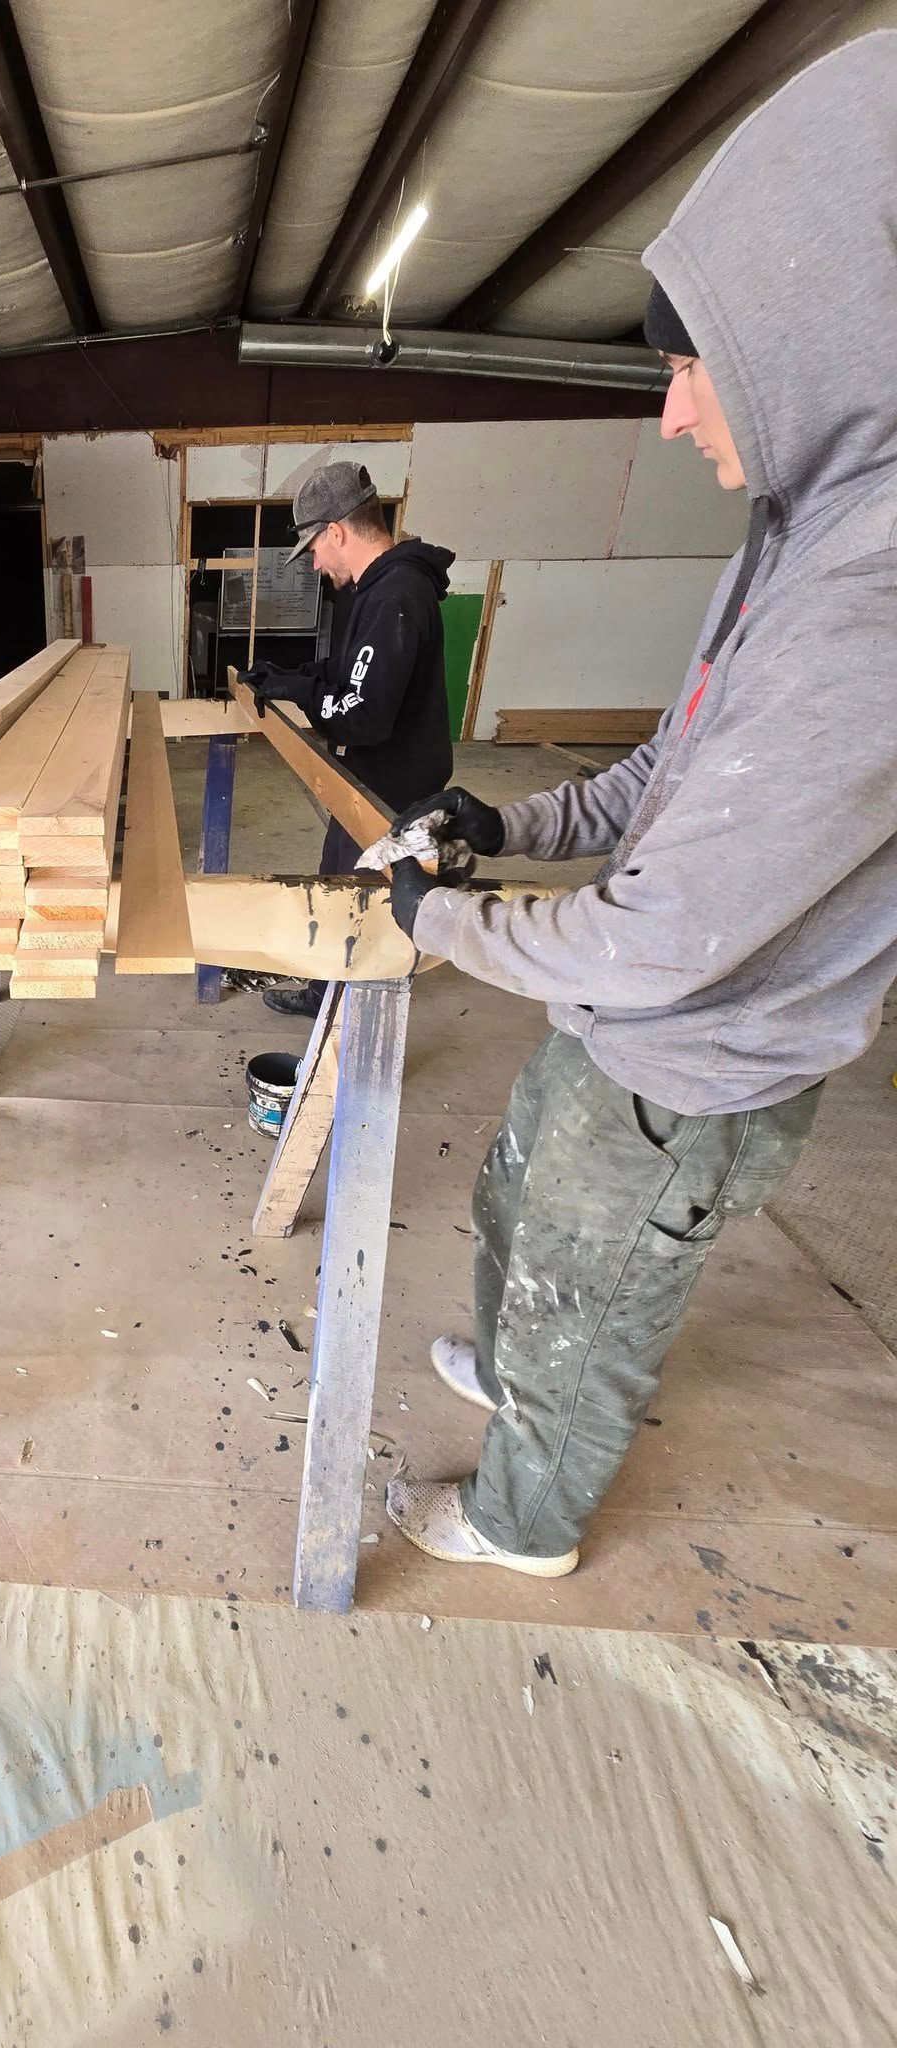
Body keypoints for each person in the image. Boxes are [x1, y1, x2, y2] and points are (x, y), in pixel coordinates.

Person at [376, 31, 897, 1580]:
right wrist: (504, 829)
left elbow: (664, 938)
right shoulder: (809, 523)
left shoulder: (875, 592)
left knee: (594, 1293)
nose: (672, 416)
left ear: (821, 332)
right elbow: (676, 767)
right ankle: (514, 1367)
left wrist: (446, 922)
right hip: (625, 1021)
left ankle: (525, 1517)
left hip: (696, 1056)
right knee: (518, 1200)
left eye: (689, 365)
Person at [240, 461, 454, 1018]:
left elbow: (363, 716)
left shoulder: (395, 596)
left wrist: (307, 695)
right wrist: (290, 677)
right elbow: (348, 670)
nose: (313, 561)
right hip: (371, 777)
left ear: (336, 531)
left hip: (388, 791)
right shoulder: (379, 590)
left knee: (357, 903)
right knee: (338, 884)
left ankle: (346, 1009)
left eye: (313, 546)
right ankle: (327, 991)